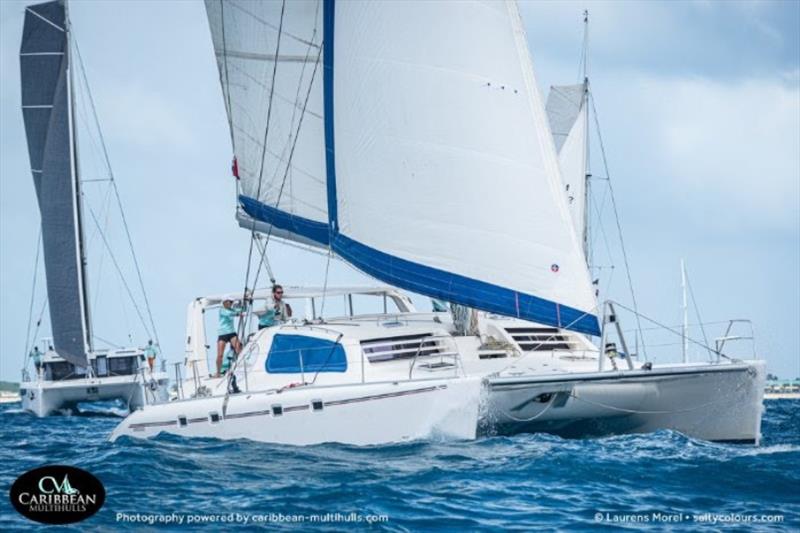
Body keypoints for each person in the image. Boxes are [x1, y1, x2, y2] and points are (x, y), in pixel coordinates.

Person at [217, 299, 246, 376]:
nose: (230, 303)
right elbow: (229, 314)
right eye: (228, 302)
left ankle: (242, 367)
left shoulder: (232, 309)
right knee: (220, 355)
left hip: (232, 333)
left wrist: (245, 301)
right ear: (224, 303)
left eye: (231, 302)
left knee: (239, 349)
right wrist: (238, 314)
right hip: (223, 334)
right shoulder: (222, 310)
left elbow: (243, 310)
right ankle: (218, 373)